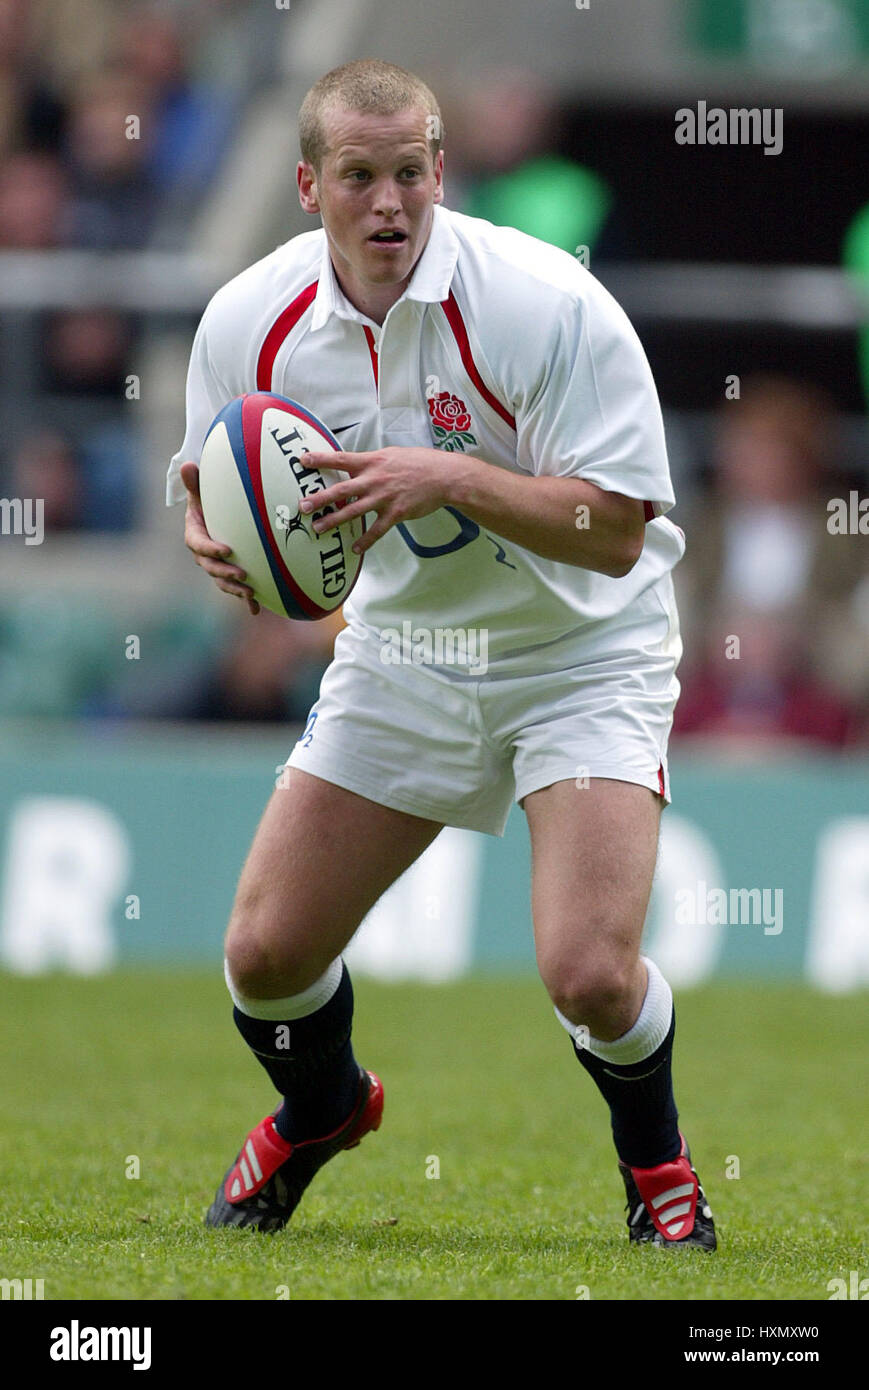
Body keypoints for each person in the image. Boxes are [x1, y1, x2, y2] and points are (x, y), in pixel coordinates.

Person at [169, 59, 715, 1251]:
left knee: (588, 974)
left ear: (440, 174)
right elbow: (211, 487)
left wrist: (453, 474)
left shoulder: (547, 304)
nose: (387, 205)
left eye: (409, 174)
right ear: (308, 184)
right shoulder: (244, 322)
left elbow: (617, 531)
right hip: (406, 651)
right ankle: (322, 1107)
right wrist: (225, 552)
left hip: (582, 651)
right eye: (358, 178)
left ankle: (657, 1163)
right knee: (263, 956)